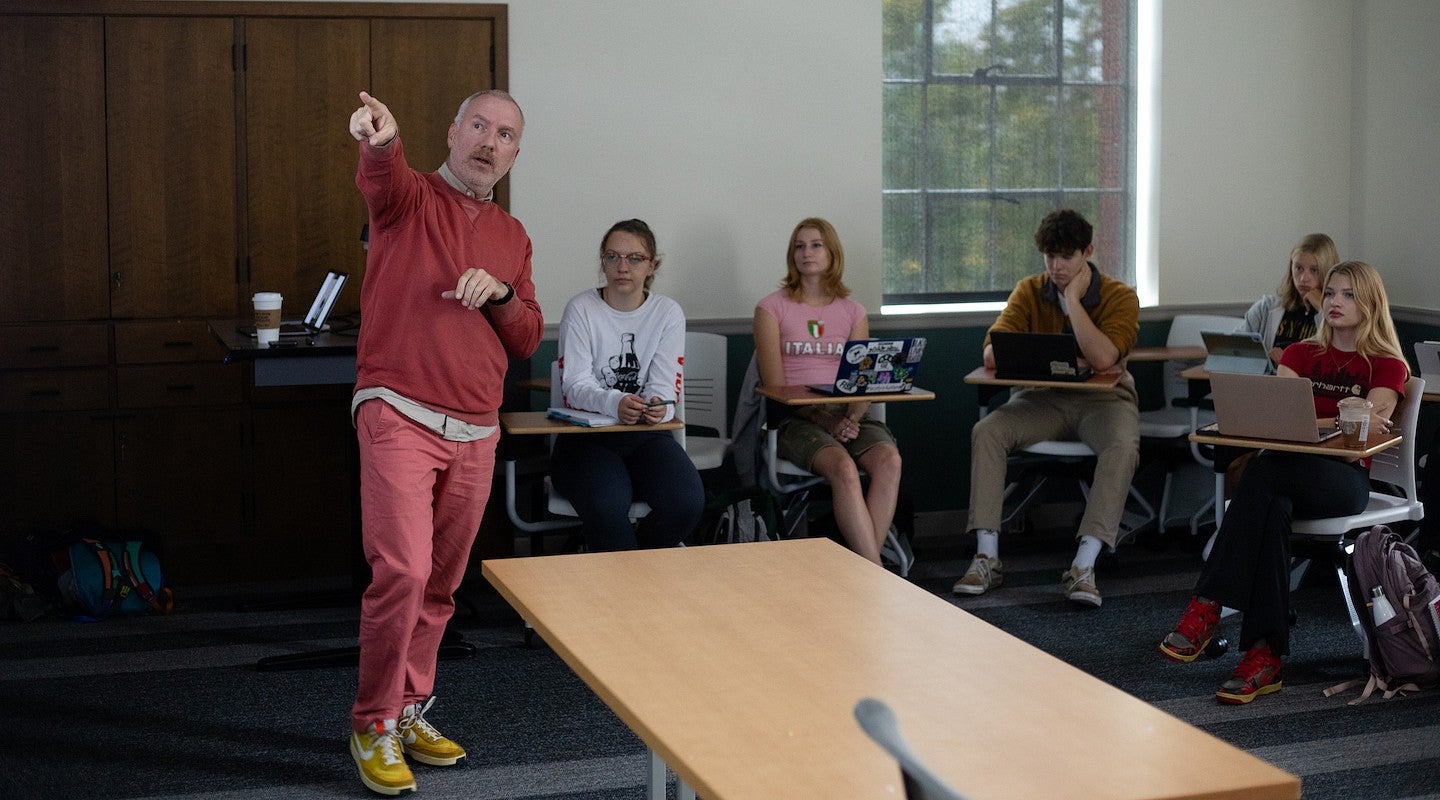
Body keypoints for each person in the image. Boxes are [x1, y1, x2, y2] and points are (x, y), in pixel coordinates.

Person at [345, 89, 542, 795]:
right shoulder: (410, 198)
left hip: (477, 427)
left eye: (507, 134)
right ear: (454, 132)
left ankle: (405, 708)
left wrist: (501, 297)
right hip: (397, 408)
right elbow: (381, 174)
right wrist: (381, 140)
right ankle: (371, 722)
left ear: (516, 153)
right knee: (401, 569)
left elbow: (525, 339)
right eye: (480, 126)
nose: (491, 141)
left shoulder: (514, 237)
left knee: (439, 585)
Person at [1159, 260, 1408, 704]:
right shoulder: (1298, 355)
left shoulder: (1386, 365)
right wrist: (1338, 415)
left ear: (1370, 303)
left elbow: (1362, 435)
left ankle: (1209, 603)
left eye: (1348, 294)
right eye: (1331, 292)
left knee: (1263, 473)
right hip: (1283, 473)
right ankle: (1264, 655)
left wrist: (1324, 419)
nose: (1334, 301)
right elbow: (1276, 419)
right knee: (1271, 502)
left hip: (1344, 480)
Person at [954, 208, 1139, 607]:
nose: (1056, 266)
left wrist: (1072, 300)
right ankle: (986, 556)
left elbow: (1105, 359)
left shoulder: (1121, 296)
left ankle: (1084, 566)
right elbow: (991, 354)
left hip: (1104, 401)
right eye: (1050, 256)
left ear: (1087, 252)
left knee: (1122, 447)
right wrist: (1070, 362)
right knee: (987, 431)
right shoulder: (1028, 290)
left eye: (1066, 257)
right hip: (1042, 399)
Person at [753, 217, 903, 566]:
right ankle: (875, 573)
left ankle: (862, 570)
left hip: (844, 416)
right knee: (844, 468)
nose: (807, 253)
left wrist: (850, 417)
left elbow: (861, 382)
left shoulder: (852, 311)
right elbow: (777, 389)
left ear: (832, 252)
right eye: (800, 246)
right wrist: (824, 419)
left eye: (816, 245)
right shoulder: (771, 308)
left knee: (889, 461)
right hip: (793, 420)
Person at [549, 219, 704, 551]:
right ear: (602, 262)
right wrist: (615, 402)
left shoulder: (667, 312)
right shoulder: (581, 308)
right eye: (612, 257)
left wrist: (659, 407)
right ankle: (624, 592)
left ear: (652, 266)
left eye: (635, 258)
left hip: (645, 437)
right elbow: (574, 385)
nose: (623, 267)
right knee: (607, 507)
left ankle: (635, 575)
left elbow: (664, 386)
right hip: (587, 440)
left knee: (686, 501)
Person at [1239, 233, 1341, 365]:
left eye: (1314, 270)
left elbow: (1337, 360)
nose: (1304, 278)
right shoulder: (1266, 307)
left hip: (1309, 384)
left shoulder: (1342, 312)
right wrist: (1266, 359)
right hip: (1270, 381)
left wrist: (1323, 309)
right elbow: (1236, 350)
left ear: (1327, 272)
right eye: (1299, 268)